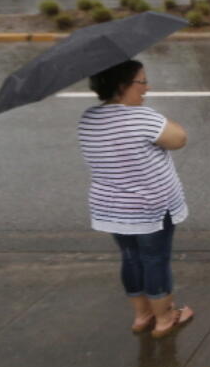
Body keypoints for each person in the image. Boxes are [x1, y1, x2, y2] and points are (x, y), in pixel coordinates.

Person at [78, 59, 194, 338]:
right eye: (142, 82)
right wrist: (160, 118)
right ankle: (165, 318)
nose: (147, 87)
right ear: (123, 85)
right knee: (155, 260)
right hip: (150, 208)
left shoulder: (89, 118)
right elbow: (179, 138)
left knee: (131, 258)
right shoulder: (143, 117)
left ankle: (142, 315)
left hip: (112, 208)